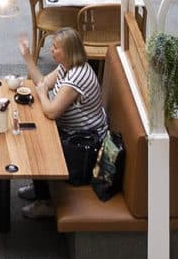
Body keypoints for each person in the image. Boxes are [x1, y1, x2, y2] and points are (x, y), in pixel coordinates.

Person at [16, 27, 110, 217]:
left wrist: (42, 93)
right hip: (70, 131)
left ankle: (46, 202)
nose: (51, 50)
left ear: (68, 51)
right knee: (32, 133)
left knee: (37, 146)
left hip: (83, 141)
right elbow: (42, 81)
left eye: (56, 47)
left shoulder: (77, 77)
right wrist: (27, 57)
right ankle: (40, 188)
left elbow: (51, 111)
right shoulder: (66, 67)